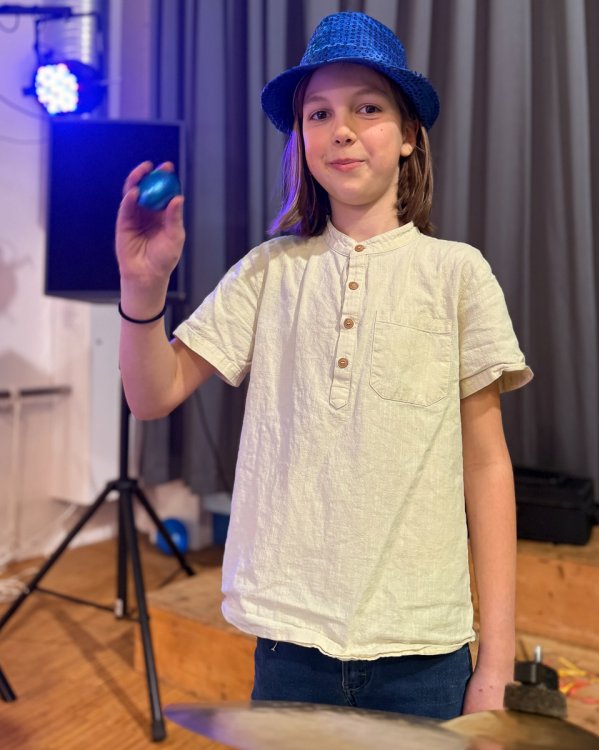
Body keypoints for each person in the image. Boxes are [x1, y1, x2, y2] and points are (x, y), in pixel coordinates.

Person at [116, 11, 533, 719]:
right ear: (301, 140)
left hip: (425, 649)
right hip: (289, 645)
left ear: (409, 136)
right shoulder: (268, 272)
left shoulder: (458, 274)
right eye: (319, 113)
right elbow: (152, 395)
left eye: (367, 108)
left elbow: (488, 466)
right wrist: (143, 287)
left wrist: (496, 661)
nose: (341, 129)